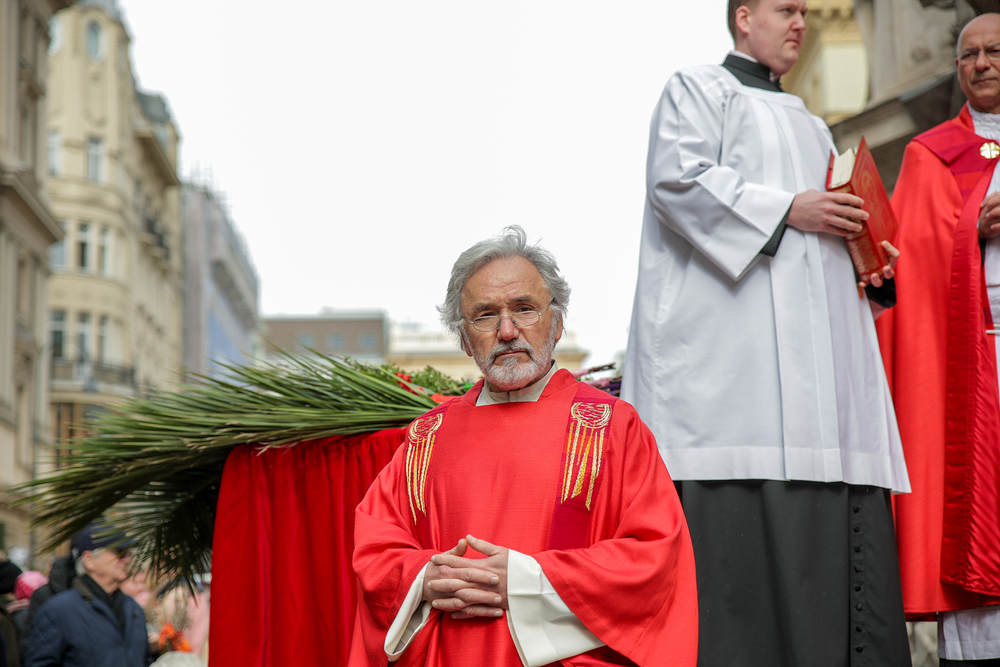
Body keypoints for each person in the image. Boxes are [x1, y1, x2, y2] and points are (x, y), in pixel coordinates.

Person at [620, 1, 912, 665]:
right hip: (731, 391)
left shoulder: (812, 124)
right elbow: (678, 181)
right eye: (786, 9)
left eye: (806, 12)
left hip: (821, 402)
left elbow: (820, 251)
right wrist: (788, 209)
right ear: (744, 17)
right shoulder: (698, 89)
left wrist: (867, 262)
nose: (801, 23)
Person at [349, 226, 698, 666]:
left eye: (525, 309)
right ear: (463, 338)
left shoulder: (612, 428)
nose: (507, 330)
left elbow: (654, 556)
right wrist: (424, 578)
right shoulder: (426, 438)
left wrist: (527, 580)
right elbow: (377, 551)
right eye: (485, 315)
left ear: (558, 322)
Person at [875, 13, 1000, 666]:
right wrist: (970, 228)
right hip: (968, 366)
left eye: (993, 51)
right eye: (968, 55)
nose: (980, 64)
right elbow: (909, 260)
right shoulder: (930, 155)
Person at [24, 523, 151, 667]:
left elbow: (144, 660)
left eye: (128, 554)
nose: (126, 560)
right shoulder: (59, 610)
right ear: (89, 560)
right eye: (118, 552)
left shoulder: (134, 609)